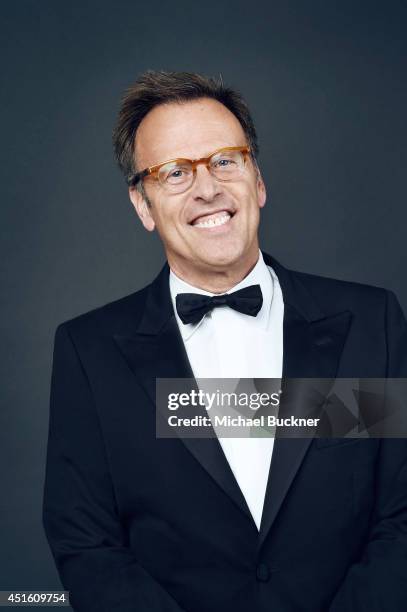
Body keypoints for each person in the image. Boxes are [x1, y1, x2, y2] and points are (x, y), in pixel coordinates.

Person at [43, 71, 407, 612]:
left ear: (257, 178)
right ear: (143, 206)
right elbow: (87, 545)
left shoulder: (370, 320)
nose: (207, 187)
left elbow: (400, 517)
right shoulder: (88, 352)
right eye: (174, 172)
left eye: (225, 160)